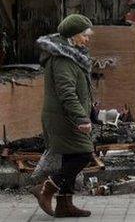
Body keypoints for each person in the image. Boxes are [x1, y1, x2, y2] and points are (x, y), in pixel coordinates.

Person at [30, 14, 96, 218]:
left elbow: (79, 89)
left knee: (71, 157)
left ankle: (64, 204)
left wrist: (92, 111)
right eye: (85, 35)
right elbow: (66, 93)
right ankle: (46, 188)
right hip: (63, 118)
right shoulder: (63, 60)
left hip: (68, 116)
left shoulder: (72, 55)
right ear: (73, 36)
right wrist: (82, 119)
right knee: (83, 154)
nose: (88, 39)